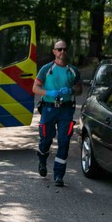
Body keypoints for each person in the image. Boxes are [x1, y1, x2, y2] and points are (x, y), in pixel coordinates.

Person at [32, 40, 82, 187]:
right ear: (54, 51)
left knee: (64, 141)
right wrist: (49, 93)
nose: (62, 52)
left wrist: (71, 91)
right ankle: (42, 158)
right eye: (59, 49)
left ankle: (59, 175)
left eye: (65, 49)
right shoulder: (46, 69)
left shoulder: (73, 71)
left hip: (66, 110)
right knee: (46, 139)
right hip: (49, 108)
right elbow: (35, 88)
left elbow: (79, 90)